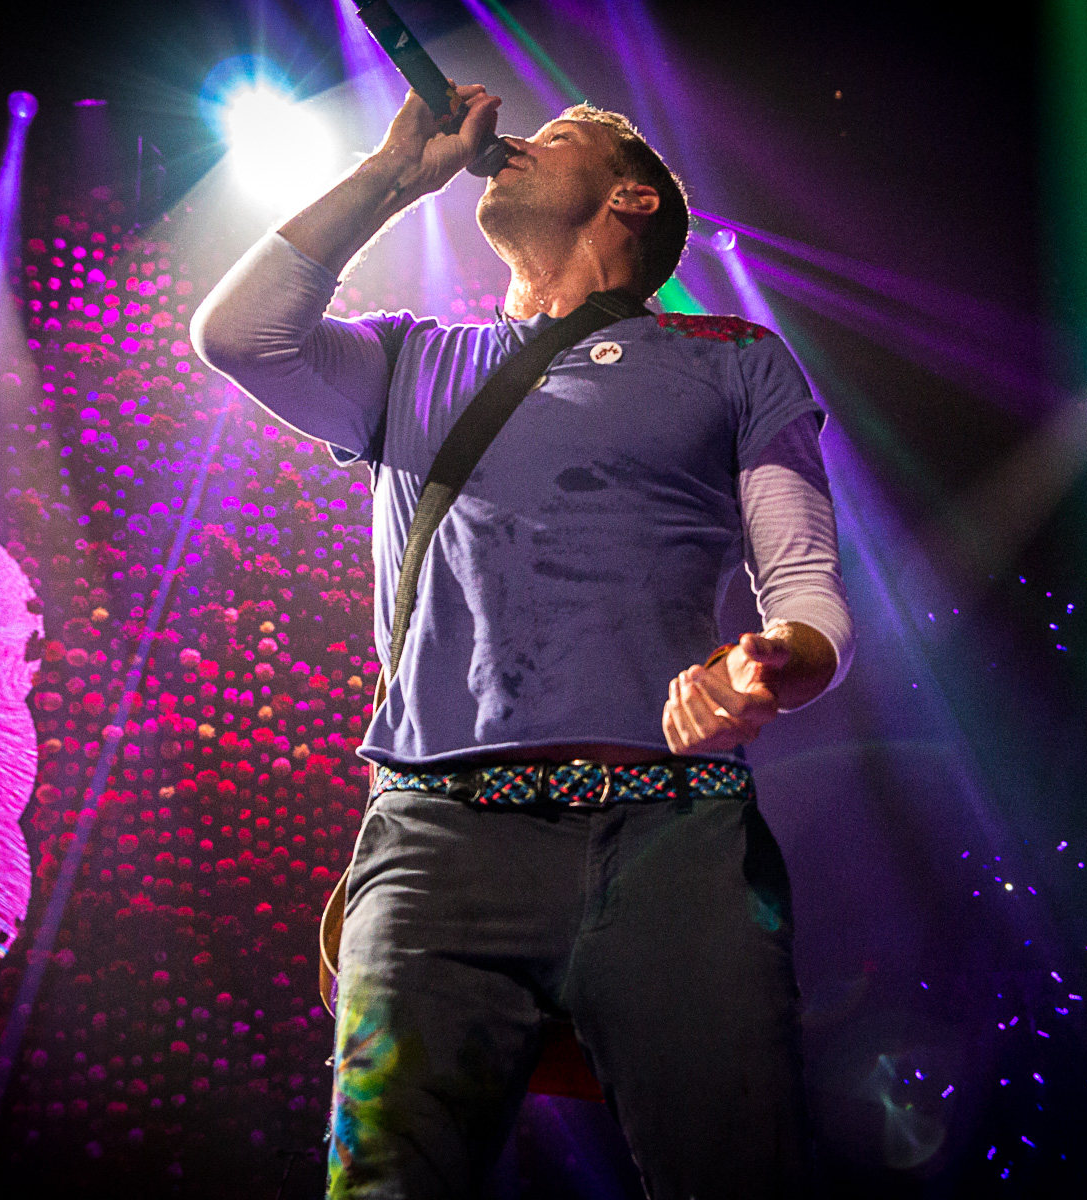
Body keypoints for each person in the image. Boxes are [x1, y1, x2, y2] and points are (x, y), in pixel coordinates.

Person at [193, 81, 853, 1199]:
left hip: (673, 839)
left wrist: (770, 663)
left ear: (632, 196)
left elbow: (806, 590)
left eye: (560, 136)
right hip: (435, 839)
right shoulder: (407, 360)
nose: (520, 144)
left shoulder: (734, 357)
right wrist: (389, 179)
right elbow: (236, 336)